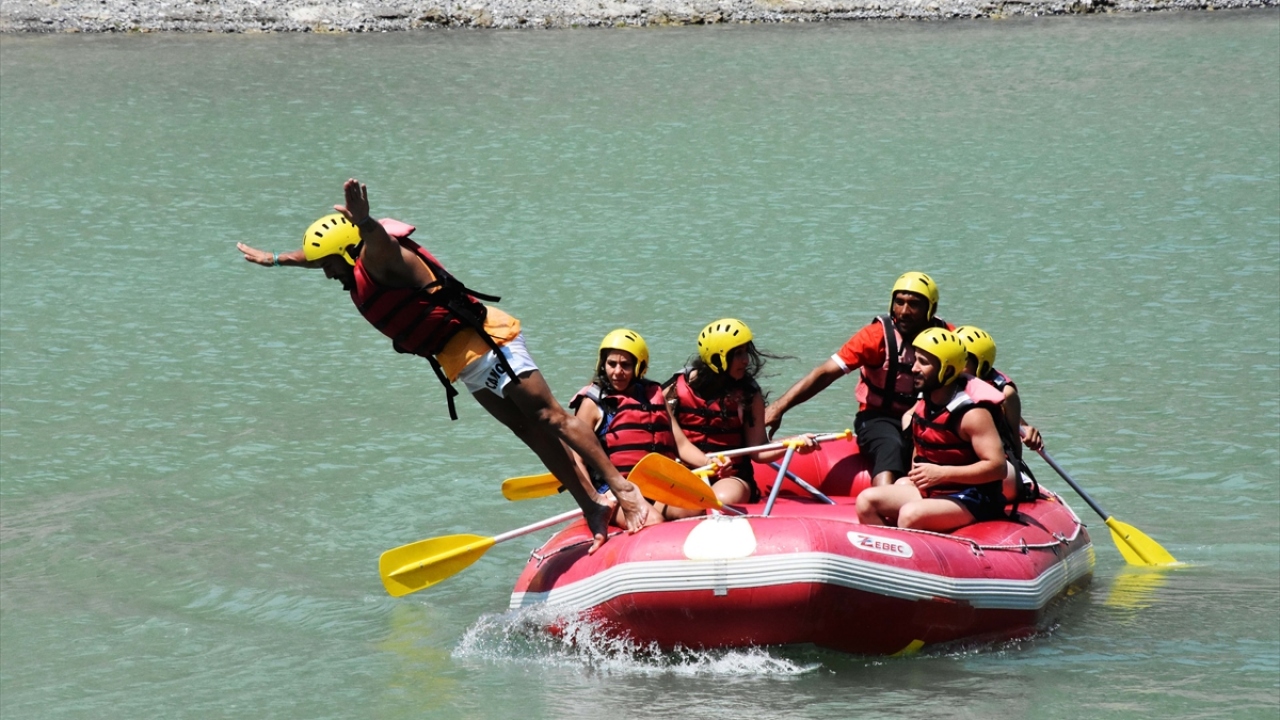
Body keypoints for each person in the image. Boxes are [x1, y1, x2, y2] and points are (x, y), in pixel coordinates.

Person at [235, 178, 651, 552]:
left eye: (328, 265)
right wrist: (277, 259)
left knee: (551, 416)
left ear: (348, 249)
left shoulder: (381, 257)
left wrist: (364, 220)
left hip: (487, 342)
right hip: (461, 360)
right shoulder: (351, 264)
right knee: (527, 430)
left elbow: (375, 238)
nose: (326, 274)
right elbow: (315, 256)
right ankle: (593, 506)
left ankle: (623, 489)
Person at [764, 272, 951, 488]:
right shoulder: (875, 337)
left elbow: (977, 382)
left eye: (914, 305)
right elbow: (825, 373)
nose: (904, 312)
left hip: (931, 417)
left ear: (931, 309)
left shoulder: (949, 337)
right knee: (890, 445)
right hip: (880, 418)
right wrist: (779, 408)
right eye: (899, 302)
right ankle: (884, 501)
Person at [855, 328, 1008, 532]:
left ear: (948, 370)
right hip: (936, 490)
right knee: (866, 501)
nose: (914, 368)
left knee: (910, 515)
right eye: (916, 360)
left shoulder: (972, 413)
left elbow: (998, 467)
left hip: (973, 497)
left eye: (924, 363)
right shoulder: (924, 403)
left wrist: (942, 473)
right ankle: (890, 556)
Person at [662, 319, 810, 519]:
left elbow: (758, 449)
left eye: (745, 352)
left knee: (719, 501)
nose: (746, 360)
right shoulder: (673, 391)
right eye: (737, 354)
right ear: (717, 358)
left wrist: (791, 443)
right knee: (685, 508)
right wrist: (707, 462)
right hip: (687, 474)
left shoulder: (748, 395)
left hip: (733, 476)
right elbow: (677, 442)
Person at [952, 326, 1042, 453]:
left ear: (981, 368)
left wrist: (1026, 429)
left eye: (963, 361)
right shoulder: (935, 381)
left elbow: (1014, 441)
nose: (955, 367)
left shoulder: (1005, 394)